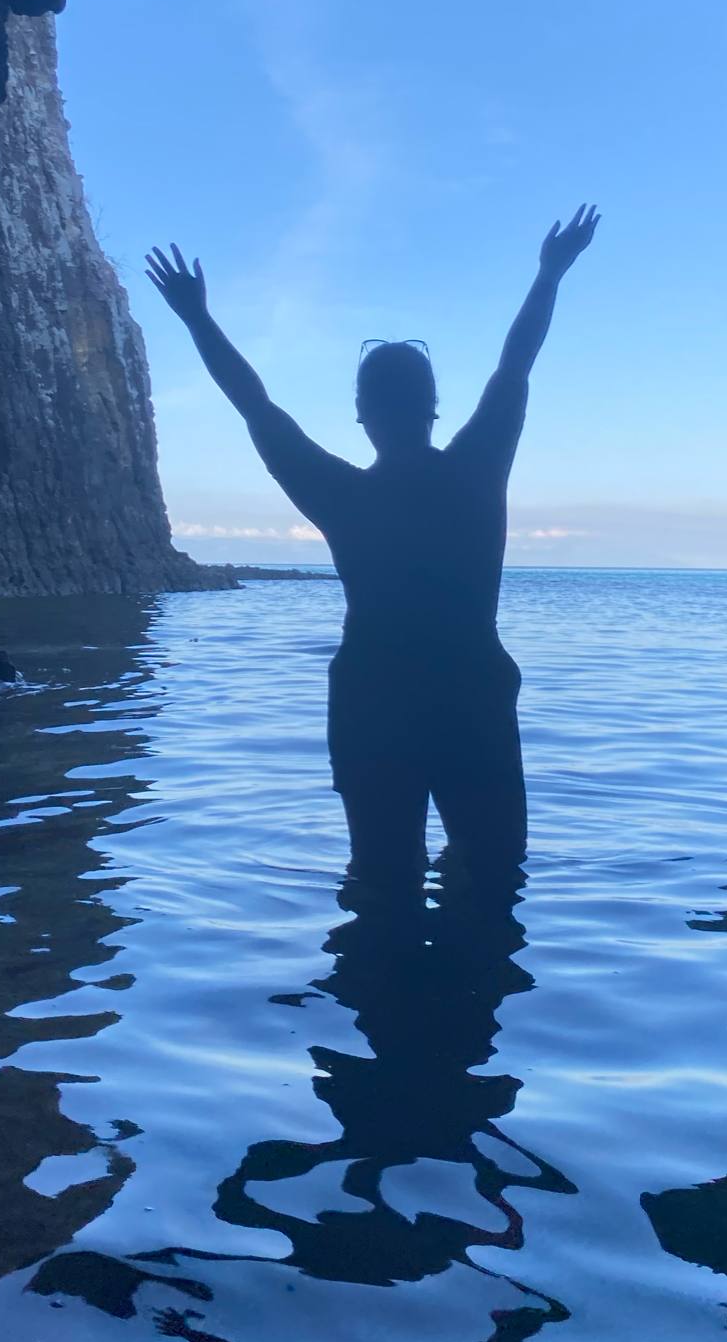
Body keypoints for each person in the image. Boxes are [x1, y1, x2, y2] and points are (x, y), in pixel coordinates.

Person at [145, 205, 600, 871]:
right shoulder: (477, 469)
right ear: (433, 407)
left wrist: (197, 318)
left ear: (361, 412)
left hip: (372, 701)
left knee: (382, 882)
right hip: (472, 695)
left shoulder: (341, 495)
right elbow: (515, 367)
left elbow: (255, 405)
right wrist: (550, 274)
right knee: (492, 876)